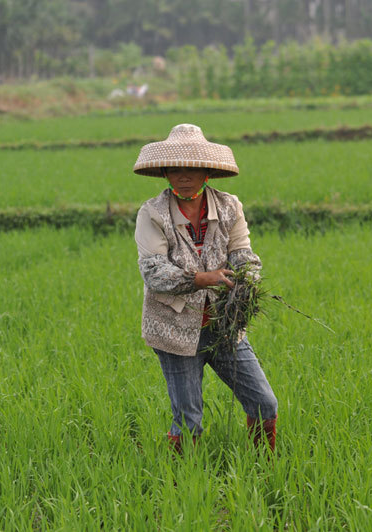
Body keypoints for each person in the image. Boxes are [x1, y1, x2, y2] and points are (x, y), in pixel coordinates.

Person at [133, 123, 278, 455]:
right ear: (166, 173)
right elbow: (154, 272)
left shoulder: (229, 207)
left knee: (263, 402)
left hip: (224, 327)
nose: (185, 175)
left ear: (207, 172)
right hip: (173, 330)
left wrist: (247, 283)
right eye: (177, 168)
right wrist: (202, 278)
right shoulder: (152, 213)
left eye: (193, 168)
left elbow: (243, 254)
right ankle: (181, 483)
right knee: (189, 419)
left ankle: (264, 466)